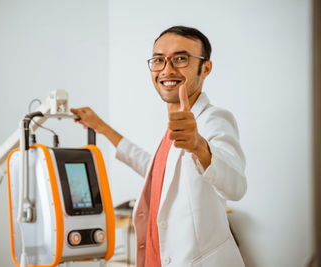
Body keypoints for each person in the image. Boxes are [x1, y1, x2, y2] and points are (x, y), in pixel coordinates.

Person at [71, 26, 247, 267]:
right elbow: (155, 171)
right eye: (158, 60)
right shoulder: (172, 128)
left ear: (205, 67)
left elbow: (236, 185)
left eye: (180, 59)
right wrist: (101, 127)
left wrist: (199, 146)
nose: (167, 69)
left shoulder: (213, 119)